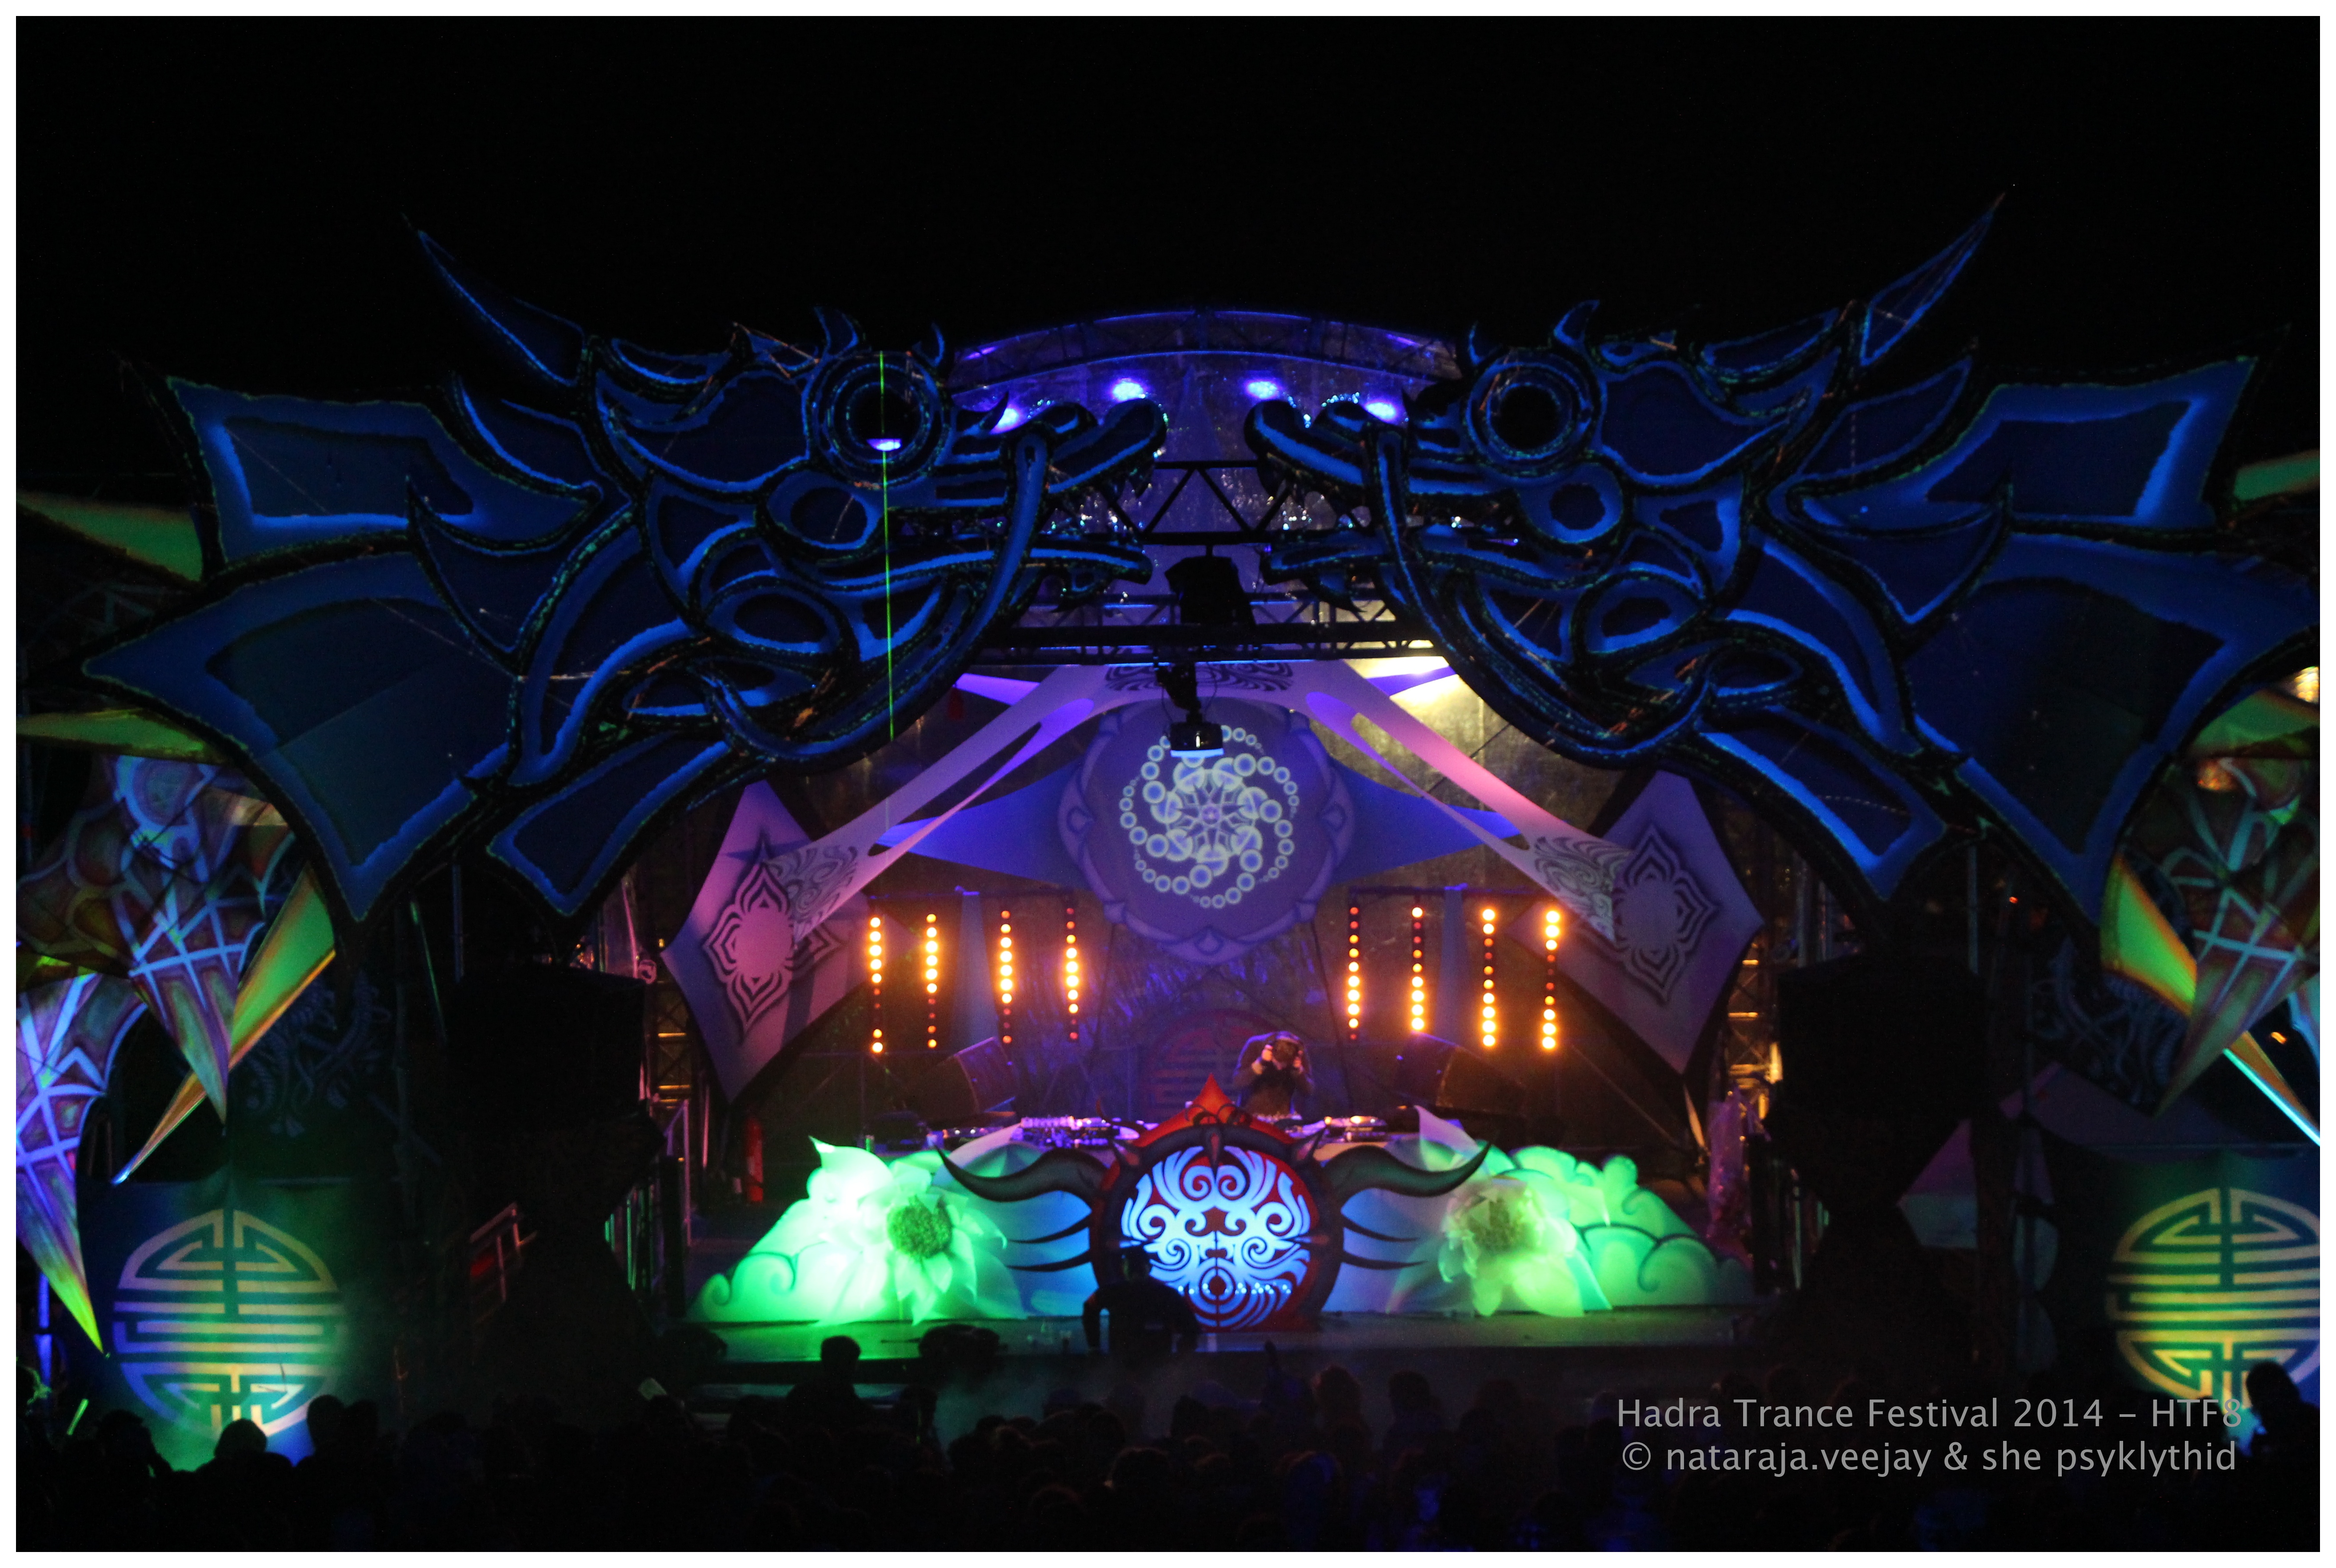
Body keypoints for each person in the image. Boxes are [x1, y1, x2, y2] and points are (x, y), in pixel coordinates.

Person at [1082, 1248, 1200, 1368]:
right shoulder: (1167, 1294)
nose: (1136, 1271)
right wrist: (1182, 1355)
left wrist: (1094, 1346)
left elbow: (1090, 1307)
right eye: (1133, 1266)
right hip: (1156, 1364)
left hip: (1124, 1363)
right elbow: (1191, 1327)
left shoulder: (1112, 1292)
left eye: (1138, 1266)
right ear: (1150, 1267)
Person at [1234, 1031, 1313, 1119]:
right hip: (1251, 1116)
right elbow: (1238, 1082)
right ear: (1271, 1052)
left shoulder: (1298, 1052)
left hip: (1283, 1116)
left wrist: (1299, 1071)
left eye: (1284, 1065)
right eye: (1277, 1063)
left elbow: (1308, 1091)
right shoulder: (1255, 1044)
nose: (1280, 1068)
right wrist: (1260, 1063)